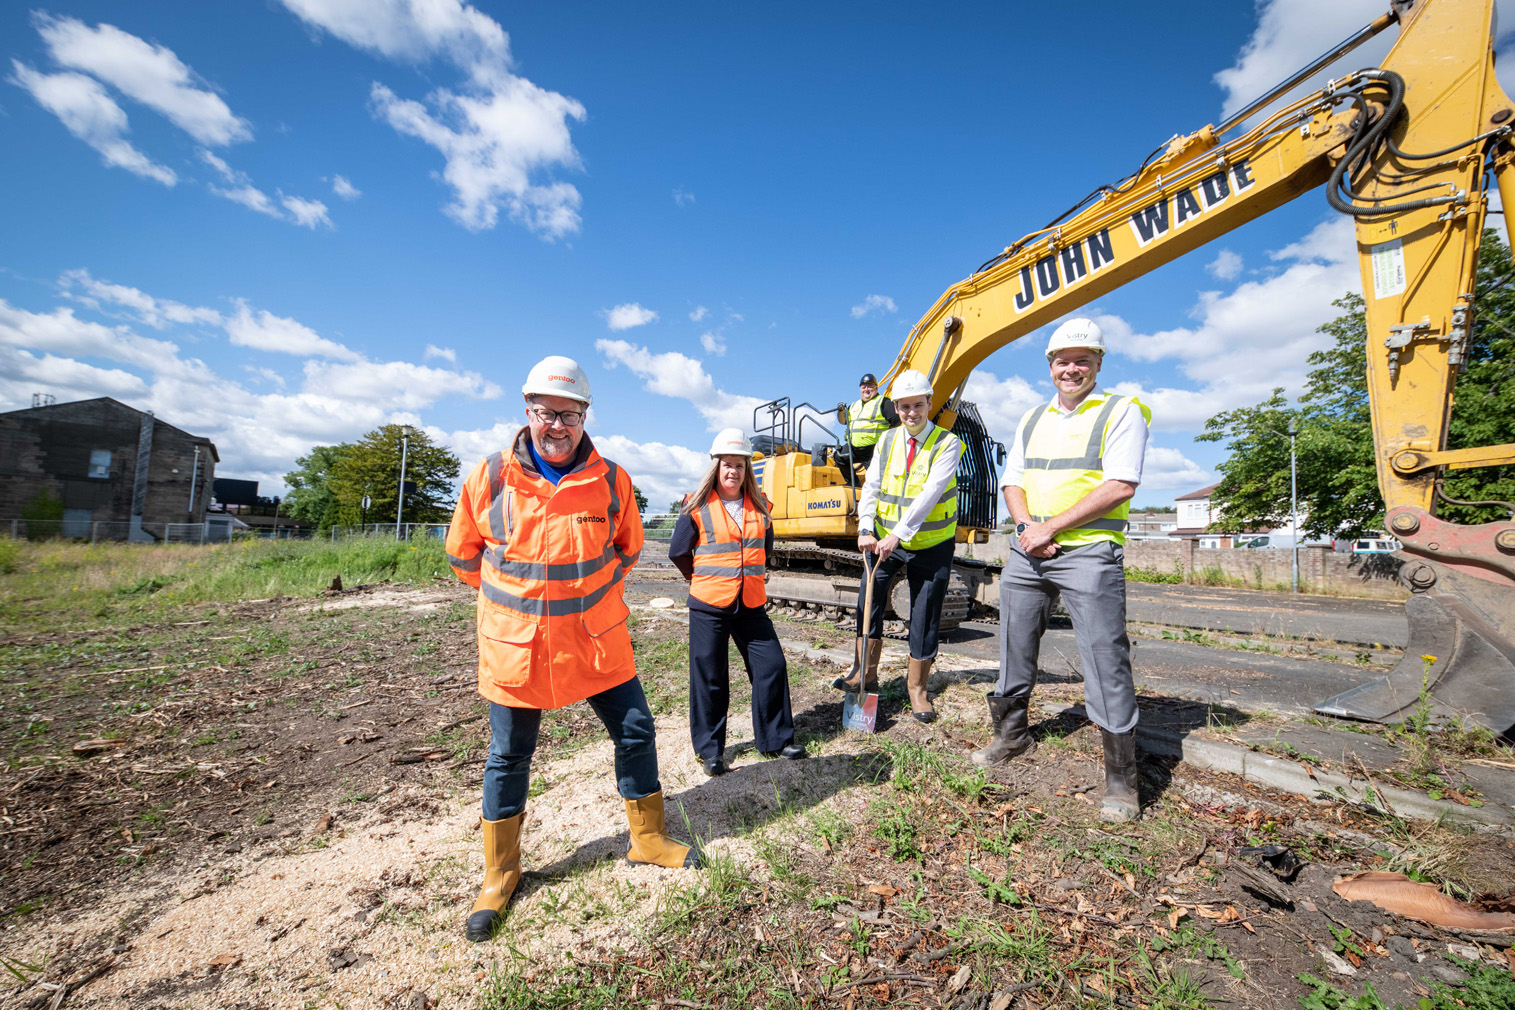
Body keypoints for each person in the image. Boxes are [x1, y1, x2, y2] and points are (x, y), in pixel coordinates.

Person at [445, 355, 699, 944]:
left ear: (585, 416)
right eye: (546, 413)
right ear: (527, 411)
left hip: (596, 640)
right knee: (509, 756)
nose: (557, 425)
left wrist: (583, 597)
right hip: (518, 647)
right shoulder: (489, 477)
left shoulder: (612, 479)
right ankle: (499, 874)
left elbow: (629, 548)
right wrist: (521, 604)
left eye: (570, 414)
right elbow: (464, 557)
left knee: (636, 730)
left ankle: (647, 839)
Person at [971, 318, 1151, 824]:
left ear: (1098, 362)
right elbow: (1013, 481)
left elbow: (1120, 485)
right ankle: (1011, 737)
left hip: (1089, 551)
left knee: (1104, 656)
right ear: (1049, 365)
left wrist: (1050, 527)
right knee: (1013, 643)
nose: (1070, 368)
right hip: (1030, 549)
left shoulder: (1121, 411)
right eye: (1061, 360)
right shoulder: (1032, 418)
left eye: (1081, 359)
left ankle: (1121, 781)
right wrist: (1030, 528)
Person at [668, 428, 806, 776]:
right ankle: (711, 751)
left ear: (747, 471)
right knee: (711, 677)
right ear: (716, 467)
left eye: (739, 466)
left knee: (771, 665)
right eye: (727, 465)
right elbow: (678, 551)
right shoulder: (696, 505)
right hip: (709, 604)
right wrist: (698, 578)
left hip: (751, 603)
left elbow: (765, 550)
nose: (733, 472)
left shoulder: (762, 508)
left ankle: (776, 739)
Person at [833, 368, 961, 724]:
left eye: (917, 405)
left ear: (929, 404)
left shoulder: (948, 444)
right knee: (868, 599)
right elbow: (872, 486)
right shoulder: (888, 440)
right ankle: (864, 672)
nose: (911, 413)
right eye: (903, 407)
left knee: (924, 613)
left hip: (930, 543)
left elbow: (930, 494)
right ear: (896, 407)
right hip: (885, 538)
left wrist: (897, 535)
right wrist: (865, 527)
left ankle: (917, 689)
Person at [835, 373, 898, 468]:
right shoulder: (853, 405)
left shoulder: (884, 402)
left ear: (876, 388)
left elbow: (897, 422)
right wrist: (840, 411)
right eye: (863, 387)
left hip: (873, 450)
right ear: (860, 389)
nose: (866, 389)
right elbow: (843, 421)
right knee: (839, 456)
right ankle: (852, 483)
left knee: (874, 478)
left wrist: (886, 445)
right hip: (854, 448)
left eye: (870, 386)